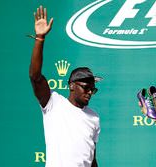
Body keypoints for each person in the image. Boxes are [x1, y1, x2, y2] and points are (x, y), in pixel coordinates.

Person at [29, 5, 102, 167]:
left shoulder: (94, 117)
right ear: (72, 86)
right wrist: (40, 38)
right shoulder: (54, 103)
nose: (90, 92)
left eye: (93, 89)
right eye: (86, 87)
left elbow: (92, 159)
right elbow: (35, 76)